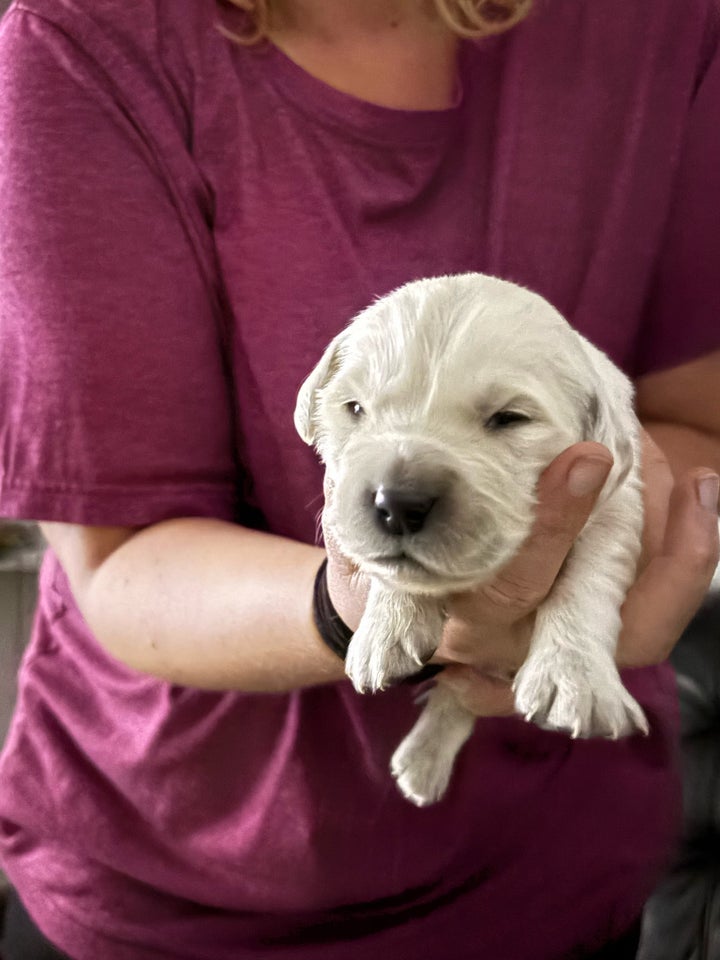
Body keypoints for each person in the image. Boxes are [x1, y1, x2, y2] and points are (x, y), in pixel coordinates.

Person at [0, 0, 718, 957]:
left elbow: (683, 420)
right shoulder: (84, 37)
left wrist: (597, 584)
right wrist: (367, 600)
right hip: (180, 894)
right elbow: (123, 560)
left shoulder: (667, 21)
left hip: (555, 869)